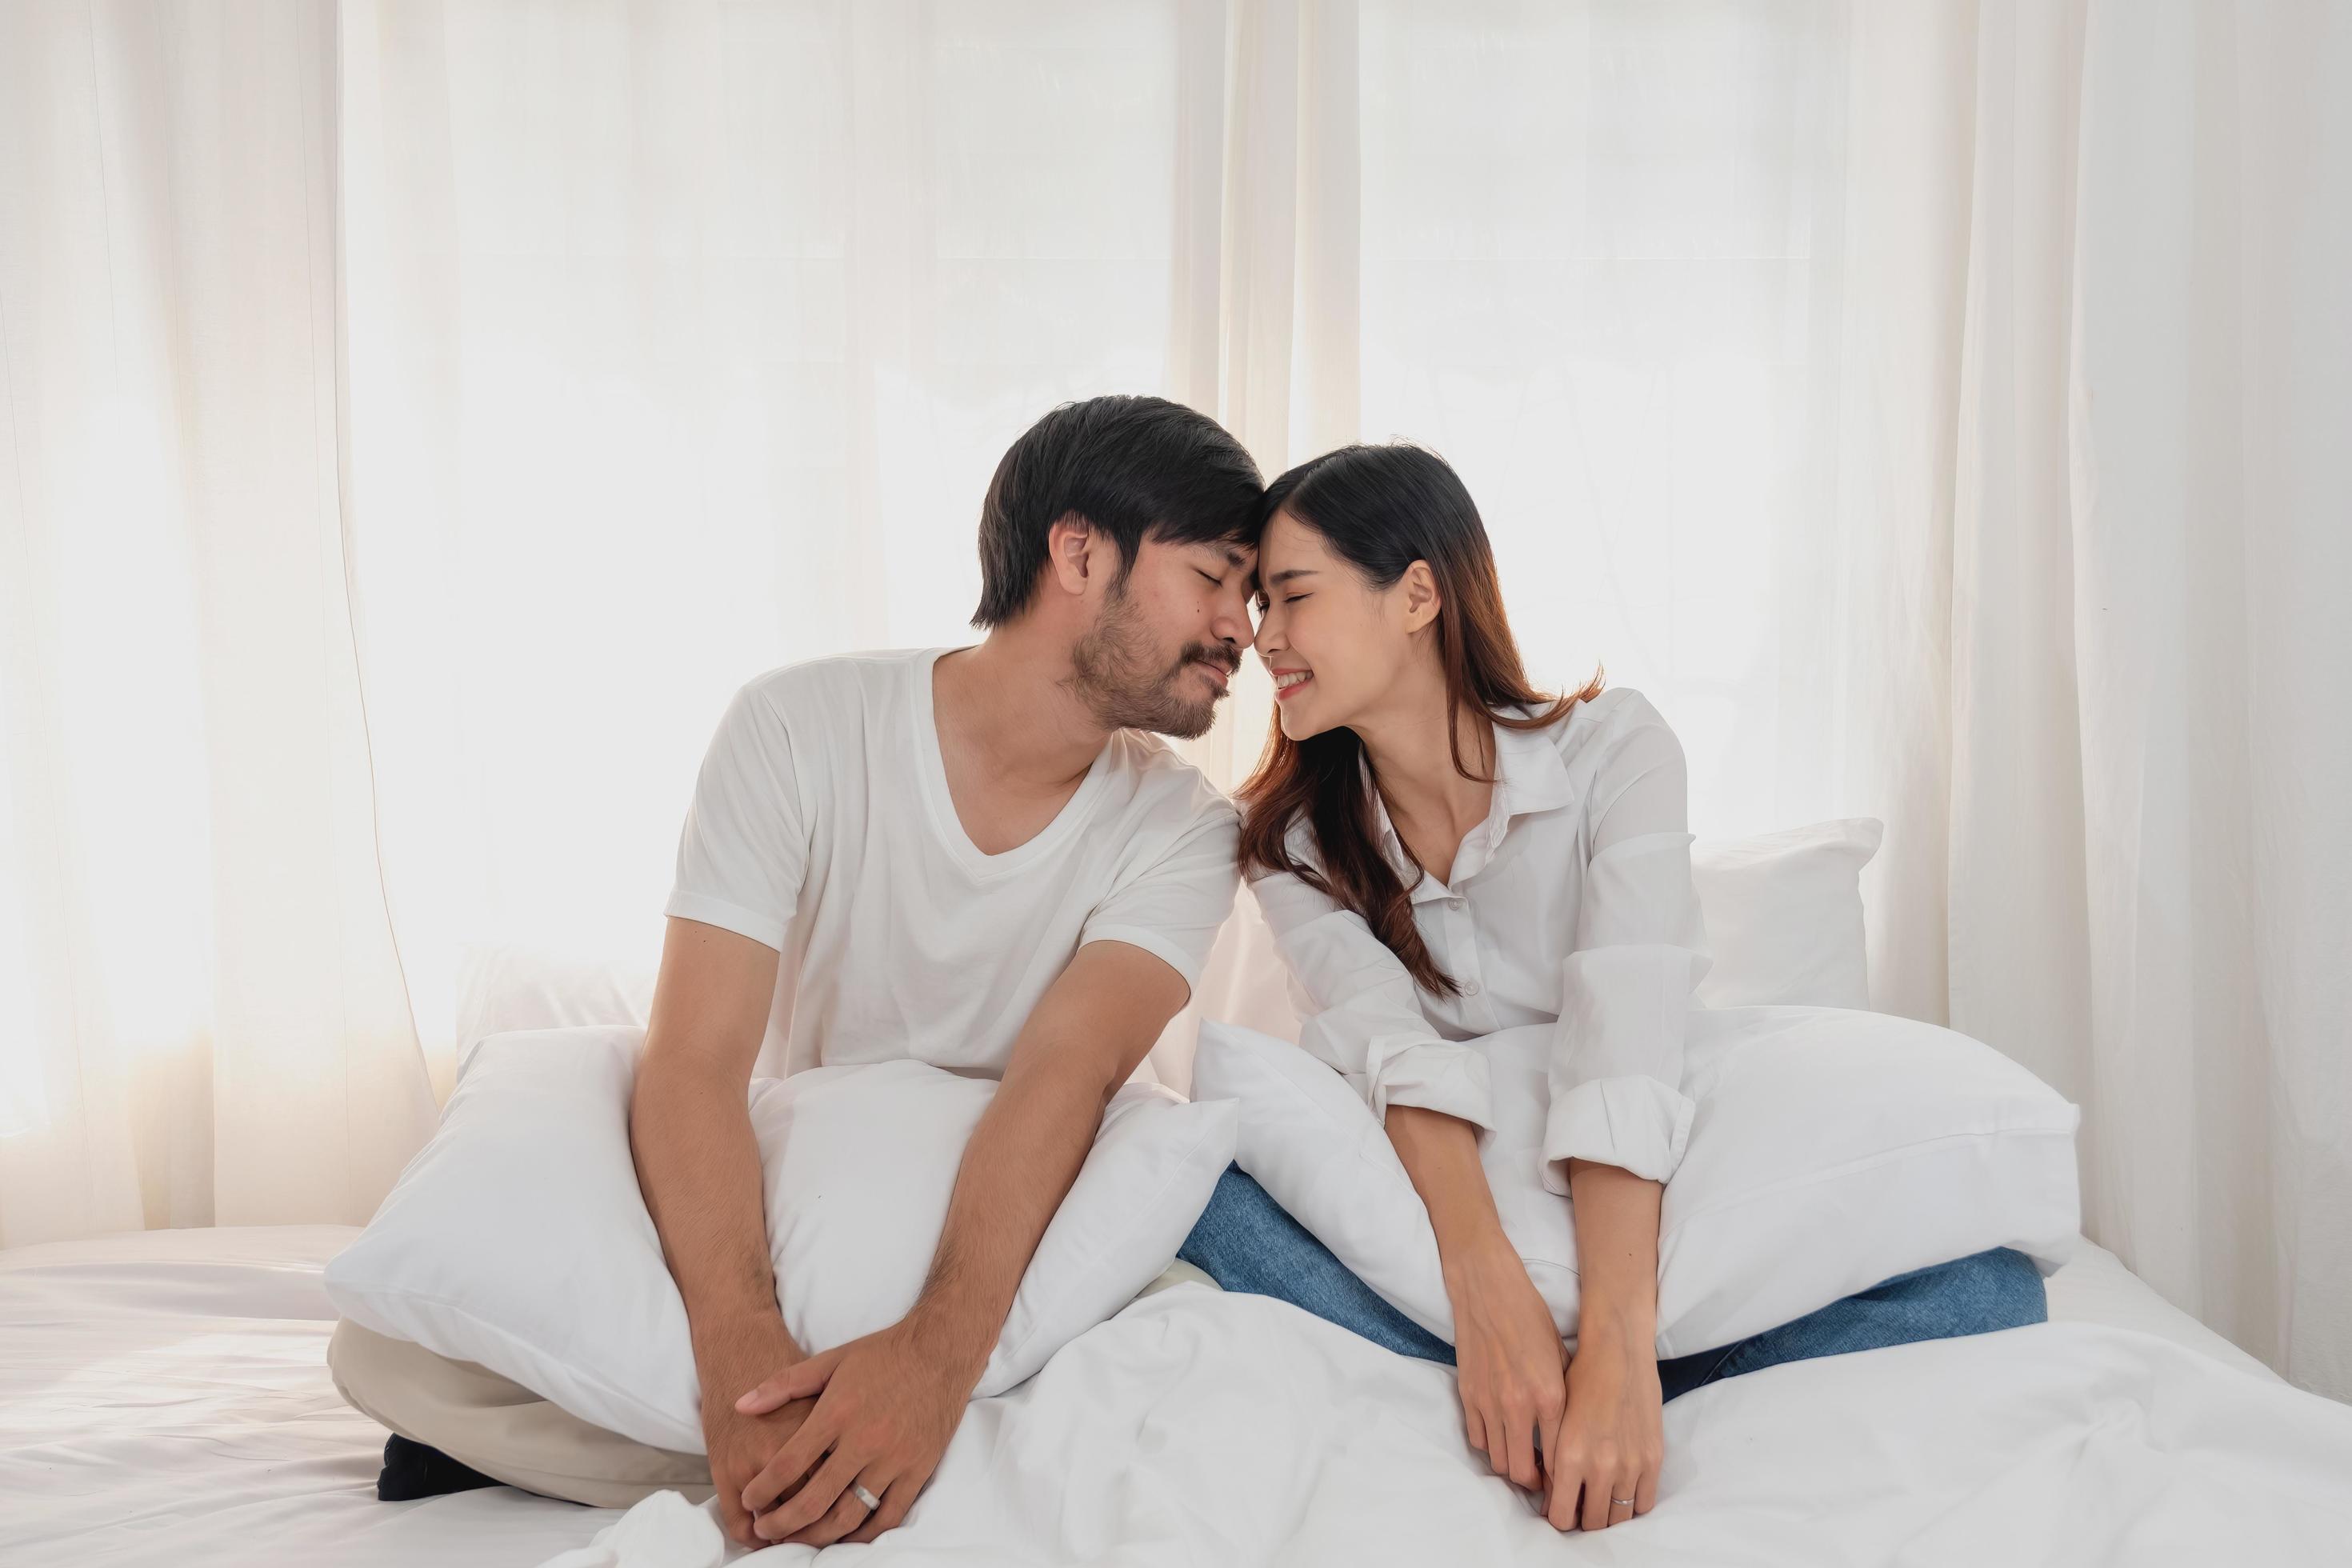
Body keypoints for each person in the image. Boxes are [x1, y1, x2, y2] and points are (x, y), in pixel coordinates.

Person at [327, 393, 1264, 1550]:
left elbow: (1063, 1080)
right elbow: (697, 1059)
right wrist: (738, 1353)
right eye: (1217, 576)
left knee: (1195, 1346)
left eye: (1254, 593)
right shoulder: (798, 728)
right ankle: (826, 1436)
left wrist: (931, 1354)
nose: (1243, 627)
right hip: (797, 1192)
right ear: (1078, 552)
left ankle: (725, 1440)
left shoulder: (1184, 827)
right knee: (394, 1342)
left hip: (985, 1213)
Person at [1173, 442, 2046, 1534]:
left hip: (1646, 1221)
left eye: (1291, 597)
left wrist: (1621, 1353)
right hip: (1454, 1228)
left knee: (1993, 1290)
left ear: (1418, 594)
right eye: (1258, 608)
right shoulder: (1291, 840)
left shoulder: (1613, 751)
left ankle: (1623, 1378)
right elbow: (1391, 1049)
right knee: (1200, 1189)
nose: (1264, 639)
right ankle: (1531, 1373)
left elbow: (1622, 1042)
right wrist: (1491, 1301)